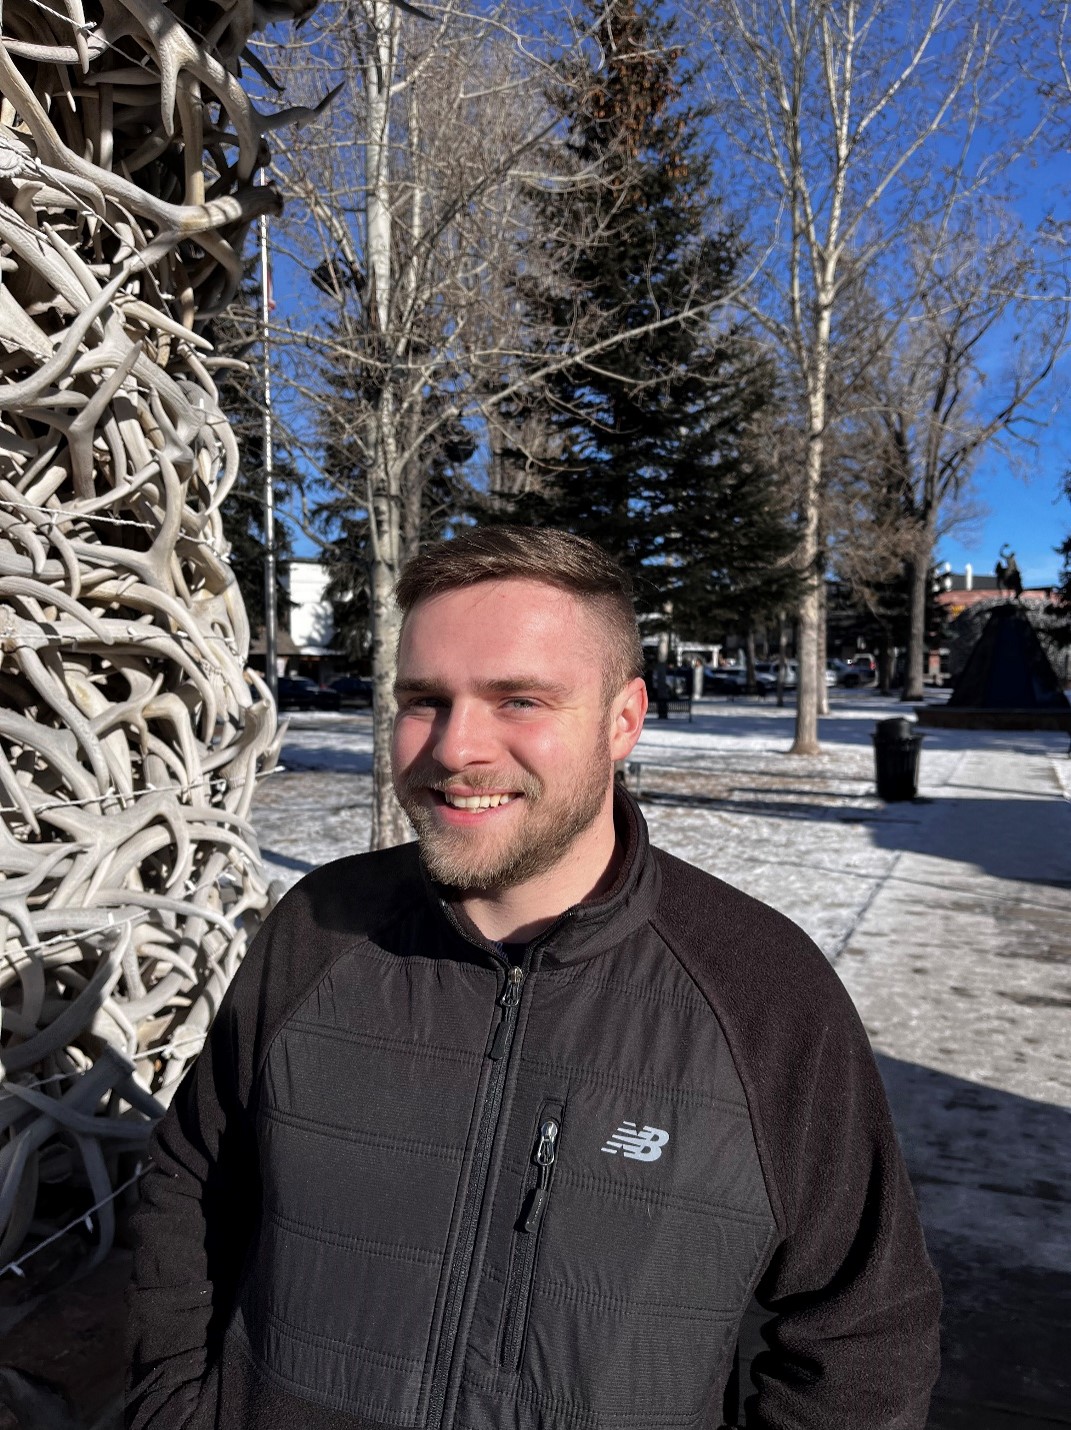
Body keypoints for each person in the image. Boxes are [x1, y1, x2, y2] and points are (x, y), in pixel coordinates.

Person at [127, 527, 941, 1430]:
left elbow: (865, 1328)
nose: (456, 747)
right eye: (424, 699)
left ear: (622, 720)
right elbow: (193, 1175)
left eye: (519, 699)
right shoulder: (318, 933)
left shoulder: (761, 992)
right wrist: (174, 1402)